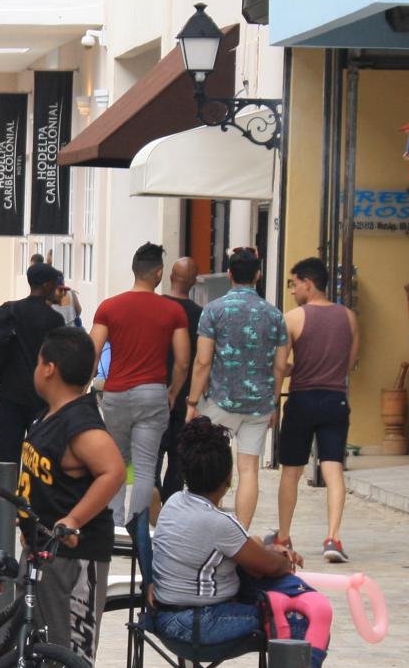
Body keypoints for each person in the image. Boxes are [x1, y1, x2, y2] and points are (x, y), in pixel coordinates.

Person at [152, 417, 364, 668]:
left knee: (263, 590)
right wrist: (281, 559)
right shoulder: (218, 523)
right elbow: (269, 566)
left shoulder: (175, 503)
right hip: (199, 625)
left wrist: (263, 551)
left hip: (166, 618)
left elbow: (243, 550)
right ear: (228, 477)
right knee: (299, 619)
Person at [14, 326, 126, 668]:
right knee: (41, 630)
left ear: (49, 368)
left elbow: (113, 471)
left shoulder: (81, 422)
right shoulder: (50, 415)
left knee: (68, 642)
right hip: (43, 550)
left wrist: (73, 519)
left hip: (76, 554)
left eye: (38, 361)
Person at [90, 243, 190, 577]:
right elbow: (183, 360)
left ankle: (114, 526)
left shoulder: (109, 307)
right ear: (159, 273)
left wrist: (87, 384)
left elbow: (93, 349)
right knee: (146, 466)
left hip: (116, 393)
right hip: (152, 392)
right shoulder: (172, 311)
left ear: (134, 269)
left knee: (115, 462)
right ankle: (138, 529)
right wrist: (173, 392)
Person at [185, 248, 287, 531]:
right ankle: (240, 532)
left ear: (229, 274)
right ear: (258, 275)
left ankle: (208, 528)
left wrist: (192, 402)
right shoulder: (275, 315)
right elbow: (280, 366)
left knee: (210, 465)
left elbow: (203, 361)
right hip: (259, 404)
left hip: (221, 400)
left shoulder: (213, 310)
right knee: (249, 469)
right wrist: (273, 402)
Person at [273, 256, 359, 564]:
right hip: (335, 400)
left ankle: (283, 536)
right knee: (333, 468)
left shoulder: (293, 318)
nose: (292, 290)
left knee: (291, 471)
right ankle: (333, 537)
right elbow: (349, 363)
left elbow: (280, 366)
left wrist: (274, 401)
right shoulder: (349, 317)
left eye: (294, 284)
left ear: (308, 284)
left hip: (302, 400)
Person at [0, 262, 70, 463]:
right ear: (47, 285)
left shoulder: (9, 310)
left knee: (7, 459)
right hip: (41, 397)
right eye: (55, 284)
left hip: (9, 394)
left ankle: (7, 485)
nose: (57, 288)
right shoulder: (54, 319)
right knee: (38, 458)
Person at [156, 258, 205, 502]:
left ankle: (149, 506)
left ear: (169, 277)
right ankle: (170, 505)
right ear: (194, 282)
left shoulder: (156, 307)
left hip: (155, 390)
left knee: (152, 455)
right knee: (178, 457)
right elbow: (201, 359)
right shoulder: (200, 315)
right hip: (185, 393)